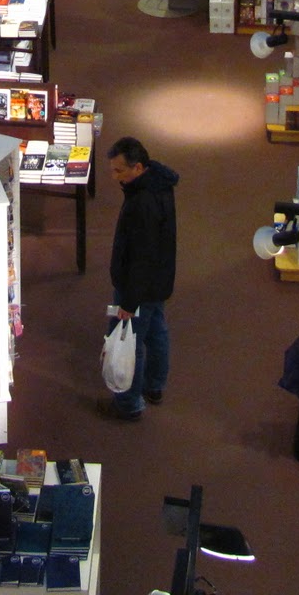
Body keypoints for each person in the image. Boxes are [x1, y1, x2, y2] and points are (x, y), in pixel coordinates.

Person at [103, 136, 177, 422]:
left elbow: (141, 257)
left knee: (128, 341)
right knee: (157, 331)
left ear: (137, 167)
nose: (114, 176)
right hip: (158, 281)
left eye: (119, 171)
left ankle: (129, 402)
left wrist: (129, 302)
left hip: (139, 287)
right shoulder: (159, 184)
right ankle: (155, 385)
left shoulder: (142, 202)